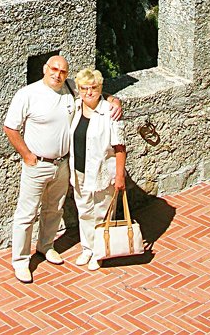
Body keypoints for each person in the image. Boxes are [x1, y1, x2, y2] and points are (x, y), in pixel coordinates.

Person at [3, 55, 121, 283]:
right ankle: (20, 261)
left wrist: (114, 100)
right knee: (26, 215)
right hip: (37, 164)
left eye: (63, 71)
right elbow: (10, 127)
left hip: (62, 164)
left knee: (54, 209)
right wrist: (27, 156)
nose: (58, 75)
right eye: (54, 69)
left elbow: (91, 94)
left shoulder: (68, 90)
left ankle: (46, 246)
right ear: (45, 69)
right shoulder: (27, 94)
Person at [69, 67, 126, 271]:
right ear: (78, 90)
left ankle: (99, 252)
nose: (89, 92)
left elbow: (120, 147)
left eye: (93, 88)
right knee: (84, 211)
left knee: (101, 213)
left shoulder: (109, 112)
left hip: (102, 172)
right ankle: (87, 248)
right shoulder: (75, 108)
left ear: (100, 89)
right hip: (79, 171)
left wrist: (119, 176)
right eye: (84, 88)